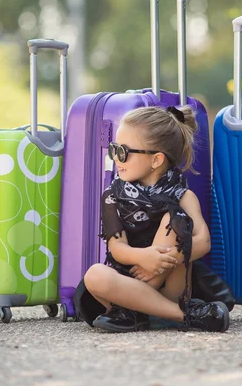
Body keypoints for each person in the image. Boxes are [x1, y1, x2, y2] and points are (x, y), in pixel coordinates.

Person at [81, 104, 231, 333]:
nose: (116, 158)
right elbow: (116, 248)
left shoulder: (183, 196)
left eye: (123, 152)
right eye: (114, 149)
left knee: (174, 220)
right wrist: (144, 257)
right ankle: (183, 316)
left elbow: (203, 242)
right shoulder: (113, 196)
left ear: (156, 160)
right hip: (126, 283)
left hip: (172, 285)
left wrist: (160, 261)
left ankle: (134, 314)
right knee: (94, 275)